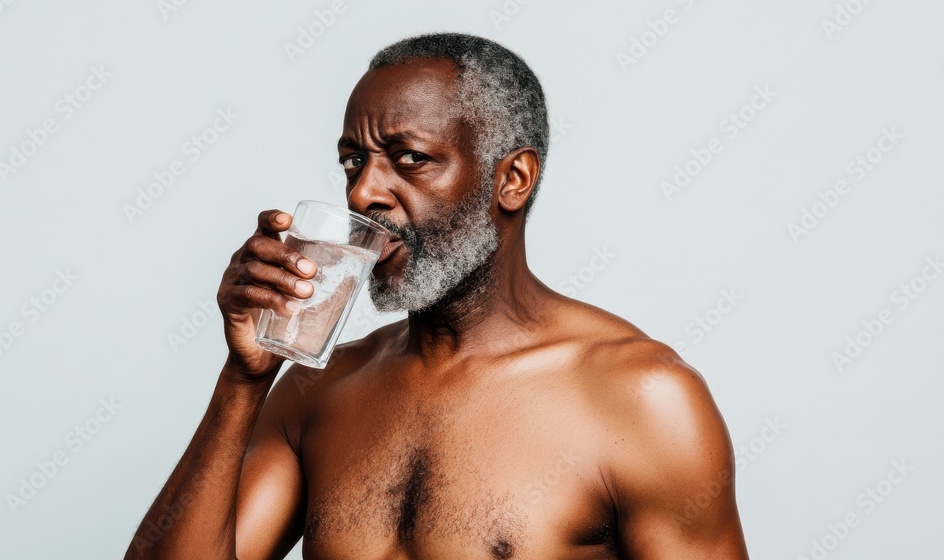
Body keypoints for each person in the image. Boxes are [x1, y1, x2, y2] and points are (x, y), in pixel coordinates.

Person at [125, 32, 750, 559]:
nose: (364, 192)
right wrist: (243, 377)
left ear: (512, 179)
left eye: (410, 157)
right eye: (353, 161)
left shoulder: (641, 399)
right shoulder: (321, 390)